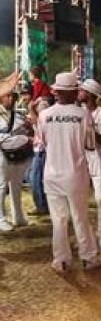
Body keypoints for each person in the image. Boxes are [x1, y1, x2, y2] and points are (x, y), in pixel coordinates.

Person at [38, 72, 100, 272]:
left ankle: (61, 260)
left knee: (58, 220)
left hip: (52, 174)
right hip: (75, 174)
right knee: (80, 217)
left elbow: (42, 144)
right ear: (74, 92)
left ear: (57, 92)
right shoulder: (84, 115)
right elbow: (90, 145)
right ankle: (88, 257)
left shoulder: (44, 115)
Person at [79, 79, 101, 249]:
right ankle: (85, 235)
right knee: (81, 199)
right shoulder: (78, 112)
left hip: (99, 158)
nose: (79, 92)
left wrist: (90, 126)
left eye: (82, 90)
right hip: (82, 159)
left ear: (89, 94)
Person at [0, 77, 31, 231]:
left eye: (13, 96)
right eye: (8, 96)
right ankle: (0, 218)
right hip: (1, 154)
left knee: (16, 185)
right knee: (1, 186)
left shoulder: (17, 115)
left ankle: (18, 216)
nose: (11, 98)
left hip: (17, 155)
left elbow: (24, 132)